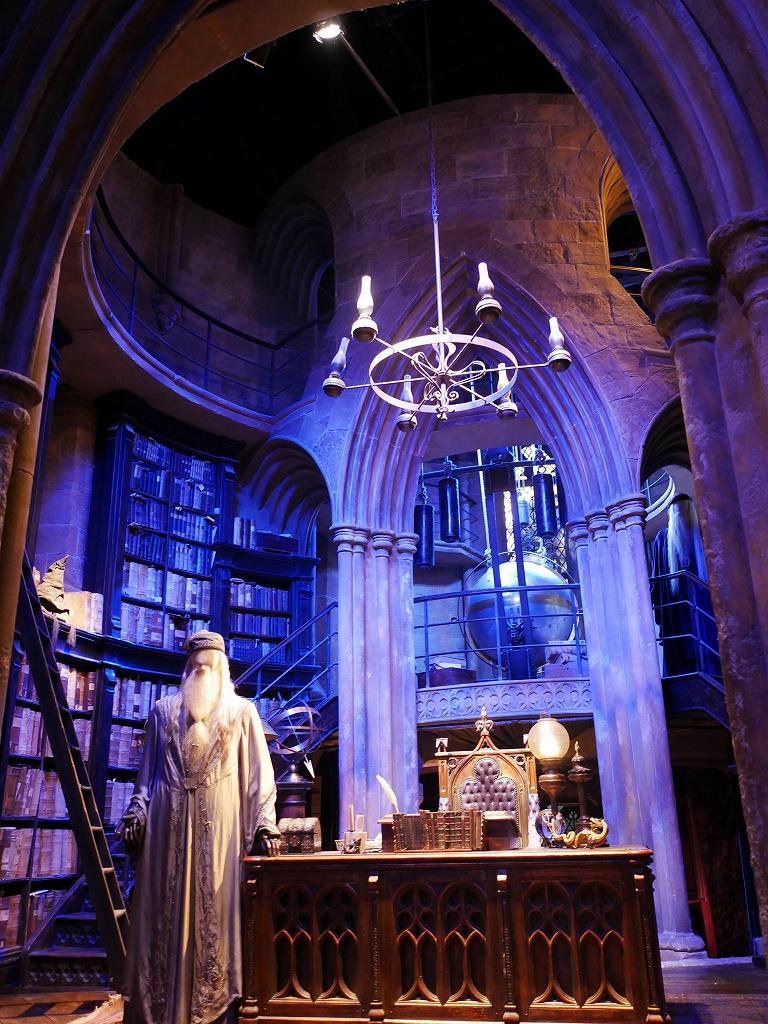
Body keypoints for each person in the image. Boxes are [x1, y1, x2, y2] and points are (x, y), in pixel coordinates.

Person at [121, 630, 281, 1024]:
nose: (202, 671)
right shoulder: (162, 711)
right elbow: (146, 775)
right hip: (166, 830)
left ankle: (213, 1009)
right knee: (161, 915)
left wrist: (265, 823)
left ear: (222, 667)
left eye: (209, 665)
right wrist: (138, 810)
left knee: (215, 914)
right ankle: (160, 1008)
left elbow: (260, 776)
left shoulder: (242, 712)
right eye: (196, 665)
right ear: (187, 668)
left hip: (220, 831)